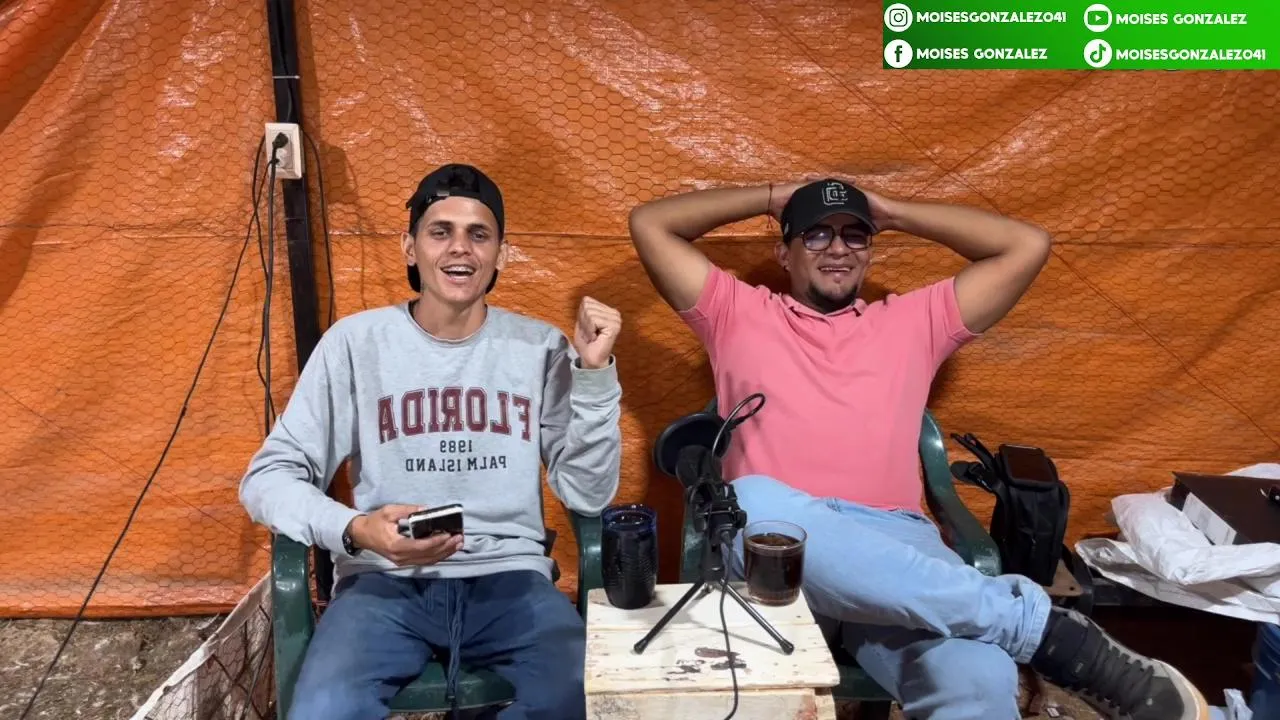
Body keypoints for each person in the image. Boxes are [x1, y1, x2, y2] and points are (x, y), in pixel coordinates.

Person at [627, 178, 1208, 720]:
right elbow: (651, 223)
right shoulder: (734, 312)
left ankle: (1030, 632)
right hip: (772, 550)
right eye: (817, 234)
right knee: (751, 500)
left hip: (896, 545)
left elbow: (1027, 245)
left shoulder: (915, 320)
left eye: (856, 235)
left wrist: (892, 212)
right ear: (784, 252)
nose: (838, 248)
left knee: (978, 678)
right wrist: (774, 195)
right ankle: (1044, 630)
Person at [240, 163, 623, 720]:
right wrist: (356, 529)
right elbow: (267, 478)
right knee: (325, 708)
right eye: (440, 231)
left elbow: (588, 494)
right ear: (410, 247)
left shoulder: (540, 348)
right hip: (383, 583)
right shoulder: (356, 344)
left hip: (510, 581)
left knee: (588, 696)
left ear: (501, 255)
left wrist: (594, 375)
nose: (459, 248)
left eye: (478, 234)